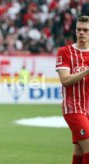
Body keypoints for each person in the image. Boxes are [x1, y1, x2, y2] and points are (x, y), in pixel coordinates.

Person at [56, 15, 89, 164]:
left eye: (86, 30)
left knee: (79, 151)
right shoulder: (65, 52)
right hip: (73, 109)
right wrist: (86, 71)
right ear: (75, 31)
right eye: (79, 29)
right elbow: (65, 80)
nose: (82, 32)